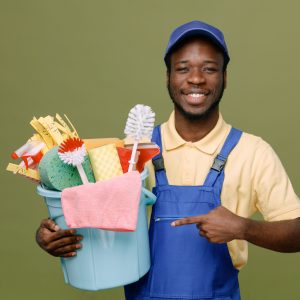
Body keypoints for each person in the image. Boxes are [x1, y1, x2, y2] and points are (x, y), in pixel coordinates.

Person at [36, 21, 300, 300]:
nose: (196, 79)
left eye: (209, 68)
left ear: (225, 77)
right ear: (168, 77)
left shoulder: (253, 152)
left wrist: (243, 228)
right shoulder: (132, 153)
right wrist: (52, 234)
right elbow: (93, 219)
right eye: (183, 68)